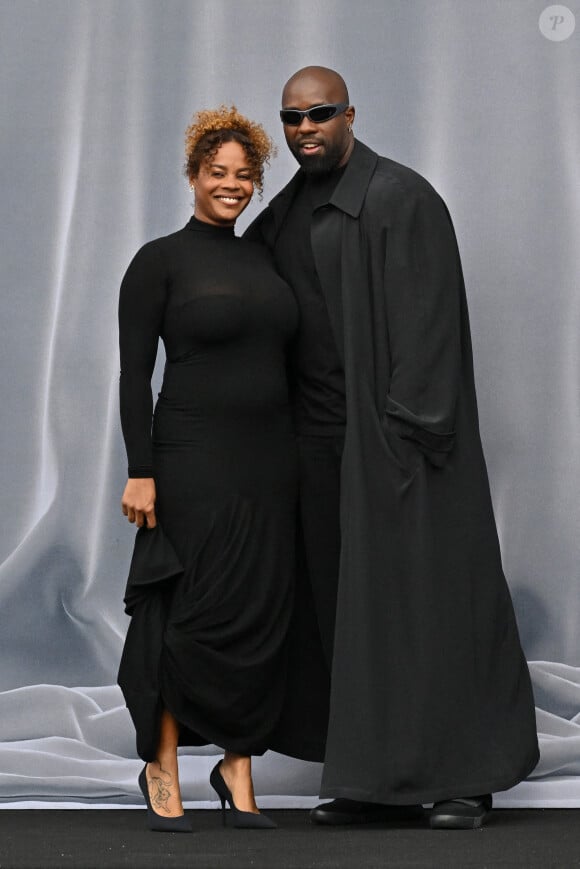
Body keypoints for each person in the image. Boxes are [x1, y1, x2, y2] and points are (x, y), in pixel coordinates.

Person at [245, 66, 539, 830]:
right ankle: (370, 776)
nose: (305, 129)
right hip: (319, 448)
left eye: (319, 115)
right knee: (347, 616)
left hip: (400, 445)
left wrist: (410, 437)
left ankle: (463, 776)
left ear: (350, 115)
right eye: (292, 118)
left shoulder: (402, 198)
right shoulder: (283, 214)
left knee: (431, 608)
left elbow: (430, 332)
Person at [117, 106, 299, 831]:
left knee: (258, 610)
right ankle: (162, 761)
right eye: (217, 172)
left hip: (270, 463)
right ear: (193, 176)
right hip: (190, 459)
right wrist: (140, 468)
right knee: (184, 611)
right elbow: (135, 377)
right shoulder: (159, 260)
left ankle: (237, 763)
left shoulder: (264, 257)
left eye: (243, 175)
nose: (230, 184)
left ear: (256, 184)